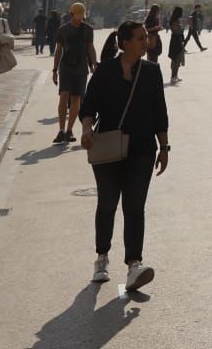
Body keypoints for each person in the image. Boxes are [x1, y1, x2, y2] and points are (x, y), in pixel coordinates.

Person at [80, 20, 169, 292]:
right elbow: (89, 106)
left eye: (146, 38)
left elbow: (159, 113)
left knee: (134, 207)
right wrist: (85, 130)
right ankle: (102, 258)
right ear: (126, 42)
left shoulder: (152, 72)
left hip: (142, 149)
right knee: (107, 204)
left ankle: (134, 265)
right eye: (141, 38)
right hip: (108, 148)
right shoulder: (106, 70)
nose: (146, 42)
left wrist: (164, 148)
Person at [52, 2, 97, 143]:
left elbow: (90, 48)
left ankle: (69, 130)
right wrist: (55, 70)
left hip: (81, 68)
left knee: (76, 99)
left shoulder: (88, 29)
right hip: (65, 67)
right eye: (77, 16)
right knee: (64, 96)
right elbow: (58, 50)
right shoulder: (62, 30)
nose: (80, 18)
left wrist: (94, 64)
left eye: (81, 16)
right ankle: (61, 130)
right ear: (71, 14)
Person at [167, 6, 185, 84]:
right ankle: (173, 76)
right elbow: (176, 31)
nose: (182, 14)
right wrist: (182, 28)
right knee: (175, 58)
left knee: (178, 58)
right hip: (175, 40)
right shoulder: (174, 21)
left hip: (178, 40)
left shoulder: (177, 20)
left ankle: (176, 75)